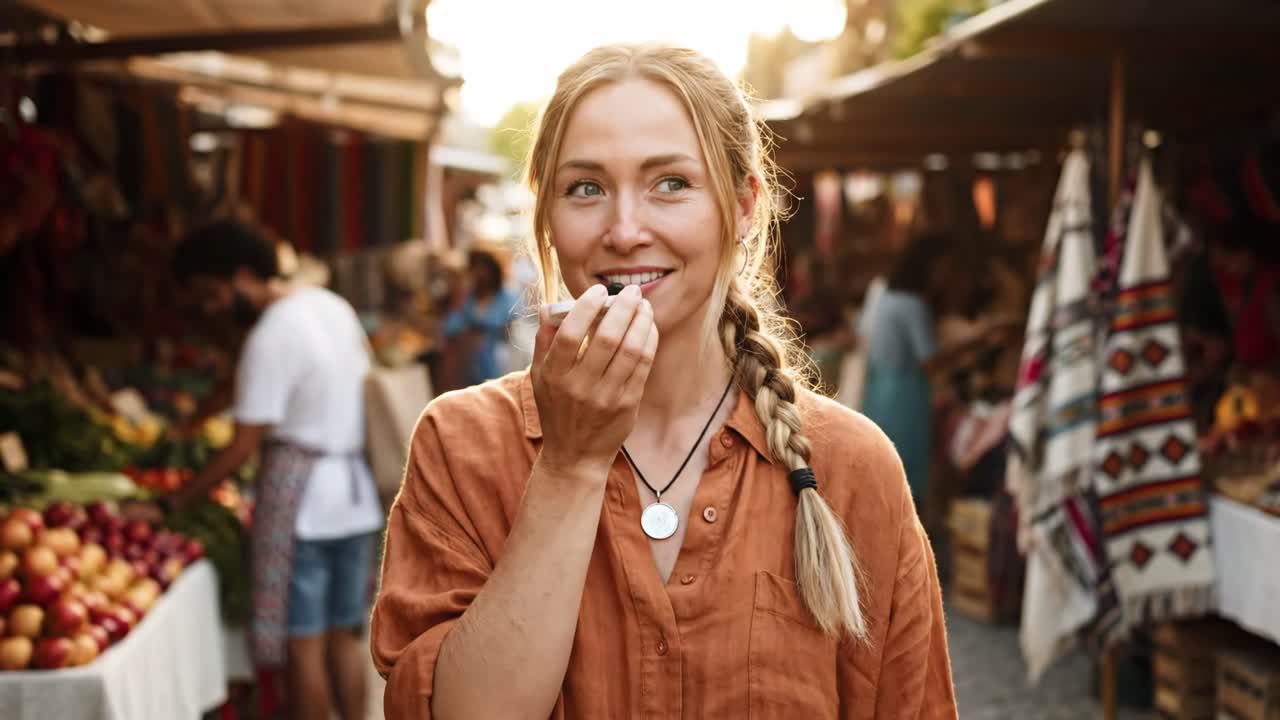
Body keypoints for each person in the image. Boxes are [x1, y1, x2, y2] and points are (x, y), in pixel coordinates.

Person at [371, 44, 957, 719]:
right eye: (585, 187)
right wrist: (568, 464)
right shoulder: (463, 445)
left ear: (741, 206)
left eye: (670, 183)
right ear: (549, 219)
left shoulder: (851, 468)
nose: (625, 231)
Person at [143, 219, 382, 720]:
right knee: (345, 638)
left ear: (243, 277)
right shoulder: (330, 306)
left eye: (212, 294)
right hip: (356, 500)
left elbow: (240, 447)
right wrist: (199, 416)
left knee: (303, 649)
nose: (211, 308)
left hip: (303, 509)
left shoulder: (269, 337)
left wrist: (178, 501)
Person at [858, 234, 1015, 506]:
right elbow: (930, 361)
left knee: (886, 473)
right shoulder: (912, 305)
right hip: (905, 398)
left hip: (881, 391)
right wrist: (983, 337)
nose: (946, 276)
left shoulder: (886, 298)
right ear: (929, 266)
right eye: (944, 267)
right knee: (906, 478)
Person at [439, 247, 520, 389]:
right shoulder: (466, 299)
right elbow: (449, 328)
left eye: (483, 268)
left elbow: (511, 334)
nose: (479, 273)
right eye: (474, 268)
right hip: (467, 368)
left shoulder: (507, 298)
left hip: (499, 367)